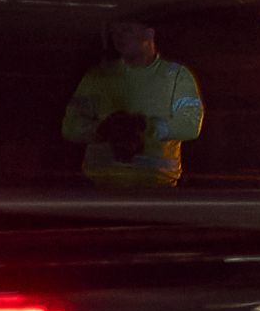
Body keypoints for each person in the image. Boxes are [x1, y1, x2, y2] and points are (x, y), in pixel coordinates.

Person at [60, 18, 204, 188]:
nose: (118, 37)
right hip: (101, 187)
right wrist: (103, 129)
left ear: (149, 34)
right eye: (114, 32)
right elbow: (70, 127)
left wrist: (145, 126)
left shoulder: (176, 76)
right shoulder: (98, 75)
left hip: (156, 187)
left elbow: (190, 126)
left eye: (127, 30)